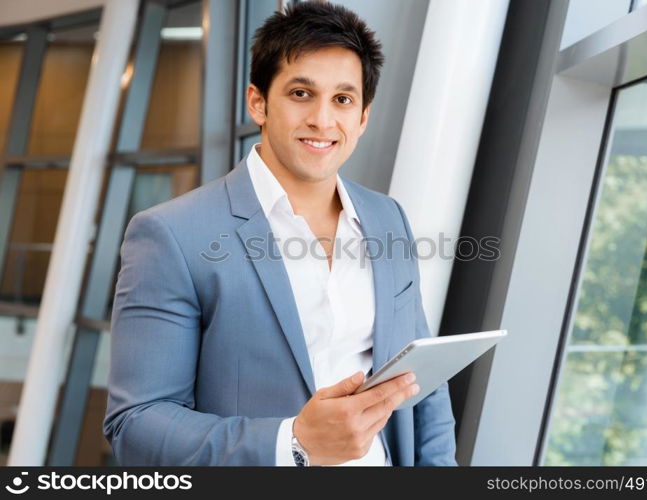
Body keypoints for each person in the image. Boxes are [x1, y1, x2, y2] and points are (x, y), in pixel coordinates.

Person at [103, 0, 456, 466]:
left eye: (343, 100)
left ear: (363, 117)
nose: (323, 121)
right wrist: (293, 442)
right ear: (258, 103)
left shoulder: (388, 217)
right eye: (301, 94)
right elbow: (136, 424)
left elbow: (423, 386)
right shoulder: (171, 234)